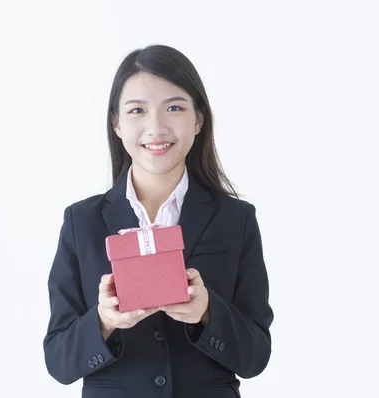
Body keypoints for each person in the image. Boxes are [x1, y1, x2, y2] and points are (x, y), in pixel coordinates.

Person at [42, 44, 274, 398]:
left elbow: (256, 356)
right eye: (137, 110)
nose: (156, 126)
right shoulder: (81, 221)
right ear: (116, 124)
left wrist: (207, 311)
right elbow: (59, 362)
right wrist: (104, 321)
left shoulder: (236, 219)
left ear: (198, 120)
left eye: (175, 107)